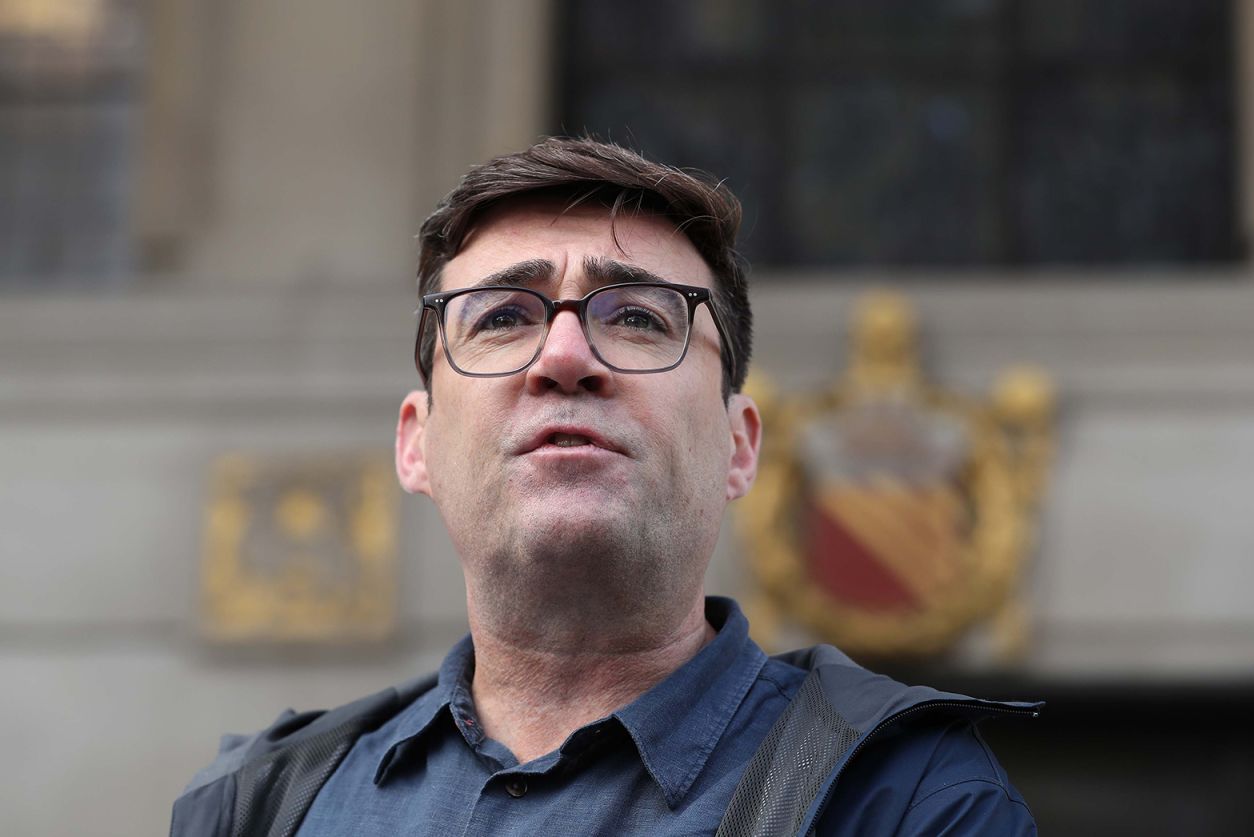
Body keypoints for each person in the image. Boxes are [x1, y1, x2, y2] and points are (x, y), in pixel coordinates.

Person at [171, 138, 1039, 836]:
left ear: (740, 448)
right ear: (417, 445)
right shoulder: (260, 807)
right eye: (504, 316)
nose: (564, 357)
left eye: (636, 316)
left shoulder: (907, 803)